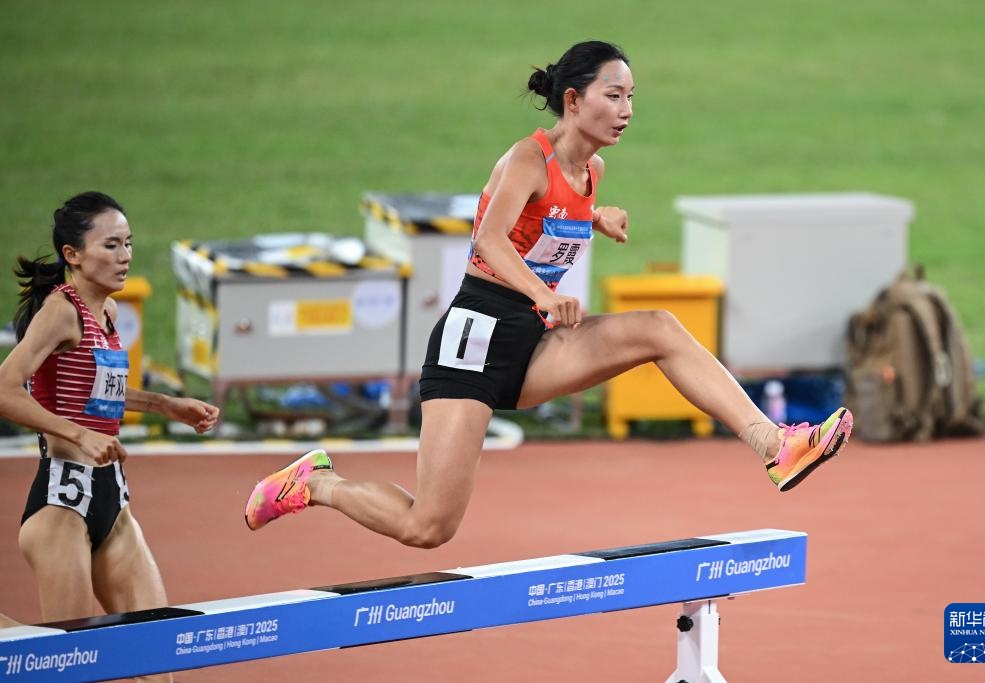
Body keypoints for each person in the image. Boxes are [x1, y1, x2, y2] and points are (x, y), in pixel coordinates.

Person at [245, 41, 853, 547]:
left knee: (660, 328)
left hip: (532, 342)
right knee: (427, 527)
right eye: (613, 96)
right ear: (573, 100)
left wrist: (595, 218)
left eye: (632, 97)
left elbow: (550, 219)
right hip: (473, 340)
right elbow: (489, 239)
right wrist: (543, 293)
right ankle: (315, 483)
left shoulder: (593, 173)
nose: (626, 111)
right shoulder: (526, 158)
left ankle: (775, 445)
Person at [0, 192, 219, 678]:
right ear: (72, 254)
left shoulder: (108, 313)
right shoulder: (60, 311)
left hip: (112, 502)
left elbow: (97, 391)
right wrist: (79, 436)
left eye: (128, 243)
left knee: (157, 662)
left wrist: (165, 405)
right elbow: (5, 389)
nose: (125, 256)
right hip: (61, 506)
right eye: (111, 245)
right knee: (74, 668)